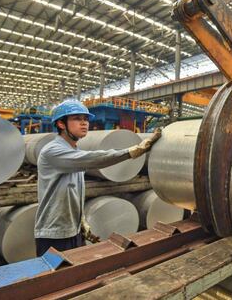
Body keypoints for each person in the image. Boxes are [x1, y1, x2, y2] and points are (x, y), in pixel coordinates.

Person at [34, 100, 161, 256]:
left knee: (75, 275)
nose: (84, 123)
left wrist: (81, 222)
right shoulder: (53, 151)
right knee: (55, 277)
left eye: (86, 119)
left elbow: (73, 192)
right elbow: (95, 158)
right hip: (54, 235)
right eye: (77, 119)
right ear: (61, 124)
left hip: (72, 231)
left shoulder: (72, 150)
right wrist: (133, 151)